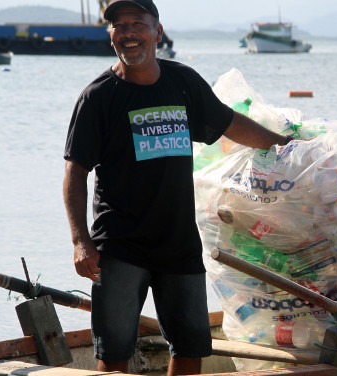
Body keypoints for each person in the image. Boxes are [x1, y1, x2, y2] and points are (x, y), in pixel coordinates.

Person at [62, 1, 295, 374]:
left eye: (137, 23)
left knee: (189, 349)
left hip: (179, 243)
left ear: (157, 31)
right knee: (114, 351)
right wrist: (79, 240)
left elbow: (228, 122)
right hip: (121, 246)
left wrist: (283, 145)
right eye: (119, 26)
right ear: (111, 37)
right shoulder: (98, 97)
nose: (128, 33)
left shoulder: (182, 83)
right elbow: (75, 174)